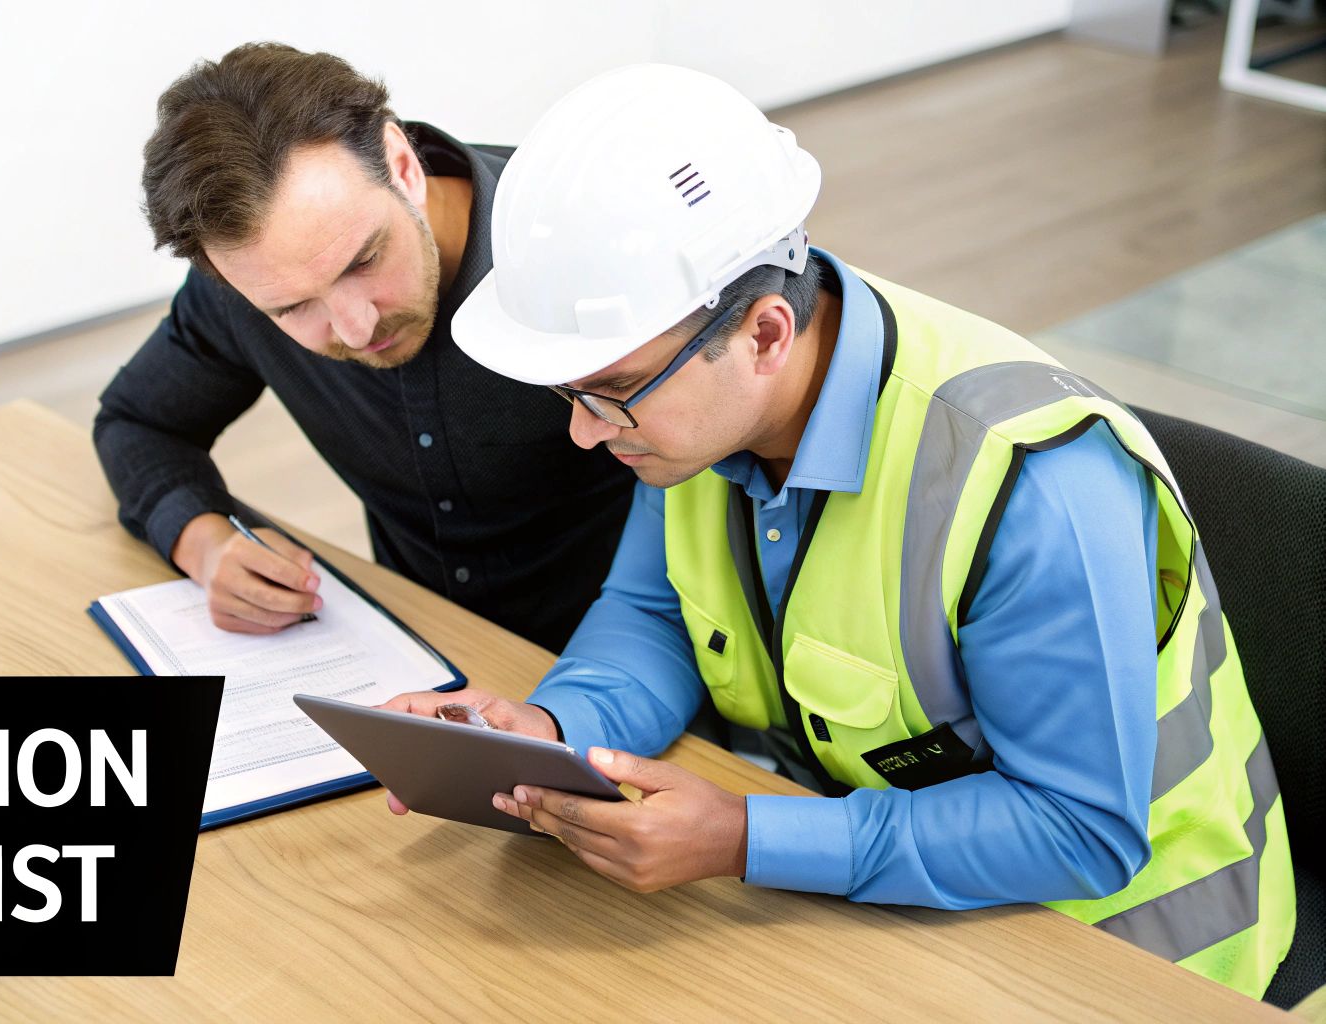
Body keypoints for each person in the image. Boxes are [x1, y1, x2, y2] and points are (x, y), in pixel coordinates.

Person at [381, 64, 1294, 998]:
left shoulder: (1031, 485)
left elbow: (1079, 827)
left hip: (1131, 954)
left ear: (767, 333)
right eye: (568, 395)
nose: (582, 430)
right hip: (882, 886)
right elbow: (656, 614)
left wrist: (746, 836)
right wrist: (551, 730)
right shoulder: (695, 409)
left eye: (608, 393)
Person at [93, 43, 633, 651]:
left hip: (637, 668)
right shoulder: (244, 287)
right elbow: (137, 421)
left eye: (365, 260)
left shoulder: (591, 243)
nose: (355, 330)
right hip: (417, 659)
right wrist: (206, 544)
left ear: (403, 166)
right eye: (294, 308)